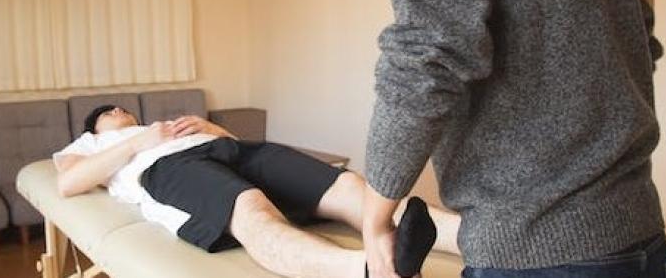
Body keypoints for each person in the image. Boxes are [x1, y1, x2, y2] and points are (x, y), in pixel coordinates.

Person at [363, 0, 666, 278]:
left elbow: (425, 64)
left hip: (538, 251)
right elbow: (639, 38)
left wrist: (374, 220)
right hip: (639, 232)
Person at [55, 105, 462, 278]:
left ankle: (471, 237)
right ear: (95, 127)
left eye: (122, 109)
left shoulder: (160, 124)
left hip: (232, 149)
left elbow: (234, 151)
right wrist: (137, 143)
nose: (119, 111)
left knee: (350, 186)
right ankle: (370, 270)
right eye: (109, 112)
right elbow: (68, 183)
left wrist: (215, 130)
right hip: (167, 168)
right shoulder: (87, 146)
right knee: (251, 208)